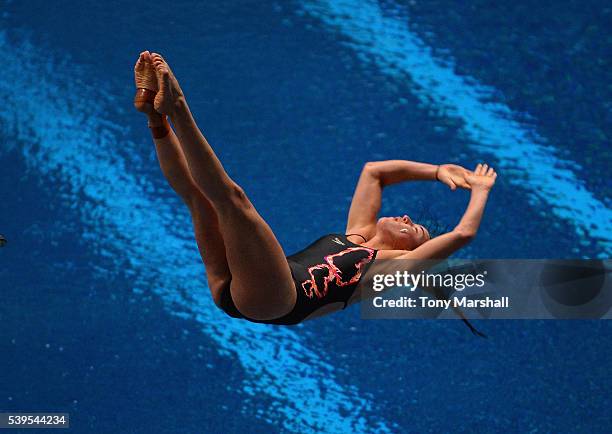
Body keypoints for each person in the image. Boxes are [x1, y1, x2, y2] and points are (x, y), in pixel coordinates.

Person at [133, 51, 497, 327]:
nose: (405, 217)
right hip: (239, 287)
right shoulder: (357, 235)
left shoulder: (397, 266)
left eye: (412, 228)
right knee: (200, 201)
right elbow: (375, 173)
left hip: (279, 298)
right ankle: (156, 117)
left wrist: (479, 189)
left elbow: (465, 232)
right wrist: (436, 170)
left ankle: (179, 108)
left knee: (234, 202)